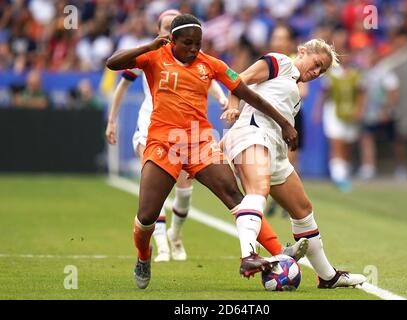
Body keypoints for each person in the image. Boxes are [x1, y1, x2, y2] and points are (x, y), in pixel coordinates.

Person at [106, 13, 304, 289]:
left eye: (198, 43)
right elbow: (111, 62)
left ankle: (276, 255)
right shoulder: (153, 57)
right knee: (148, 215)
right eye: (187, 43)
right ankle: (144, 254)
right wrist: (148, 47)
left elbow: (249, 94)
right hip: (163, 144)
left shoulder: (210, 64)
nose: (193, 49)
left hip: (200, 143)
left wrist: (284, 123)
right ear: (171, 40)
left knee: (236, 196)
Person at [221, 39, 367, 288]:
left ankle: (327, 276)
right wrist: (233, 106)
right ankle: (248, 256)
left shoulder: (295, 86)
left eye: (321, 71)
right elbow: (237, 79)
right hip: (252, 132)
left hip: (274, 145)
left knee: (303, 209)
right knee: (258, 191)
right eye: (317, 64)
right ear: (302, 51)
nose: (316, 72)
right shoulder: (280, 62)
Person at [106, 9, 229, 263]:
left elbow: (209, 75)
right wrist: (111, 120)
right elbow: (122, 83)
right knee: (155, 190)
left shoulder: (192, 58)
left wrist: (222, 98)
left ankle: (175, 235)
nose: (168, 29)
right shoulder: (150, 55)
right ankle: (160, 245)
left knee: (184, 190)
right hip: (150, 128)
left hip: (184, 131)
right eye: (166, 26)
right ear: (161, 30)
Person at [264, 24, 307, 217]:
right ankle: (275, 197)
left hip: (292, 115)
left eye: (282, 37)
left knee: (289, 158)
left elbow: (303, 90)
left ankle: (283, 199)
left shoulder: (293, 62)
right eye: (276, 37)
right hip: (269, 115)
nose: (279, 41)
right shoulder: (267, 61)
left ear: (290, 42)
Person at [313, 49, 365, 192]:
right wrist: (318, 111)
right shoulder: (331, 75)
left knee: (347, 146)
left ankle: (343, 174)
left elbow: (361, 93)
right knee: (336, 144)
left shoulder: (356, 74)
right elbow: (324, 94)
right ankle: (339, 178)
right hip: (333, 113)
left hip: (350, 114)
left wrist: (359, 110)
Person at [357, 47, 407, 180]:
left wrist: (386, 110)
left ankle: (401, 167)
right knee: (367, 138)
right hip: (371, 114)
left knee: (395, 141)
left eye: (369, 55)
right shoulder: (365, 73)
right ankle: (369, 167)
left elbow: (393, 92)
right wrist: (361, 110)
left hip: (386, 113)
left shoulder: (385, 73)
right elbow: (364, 94)